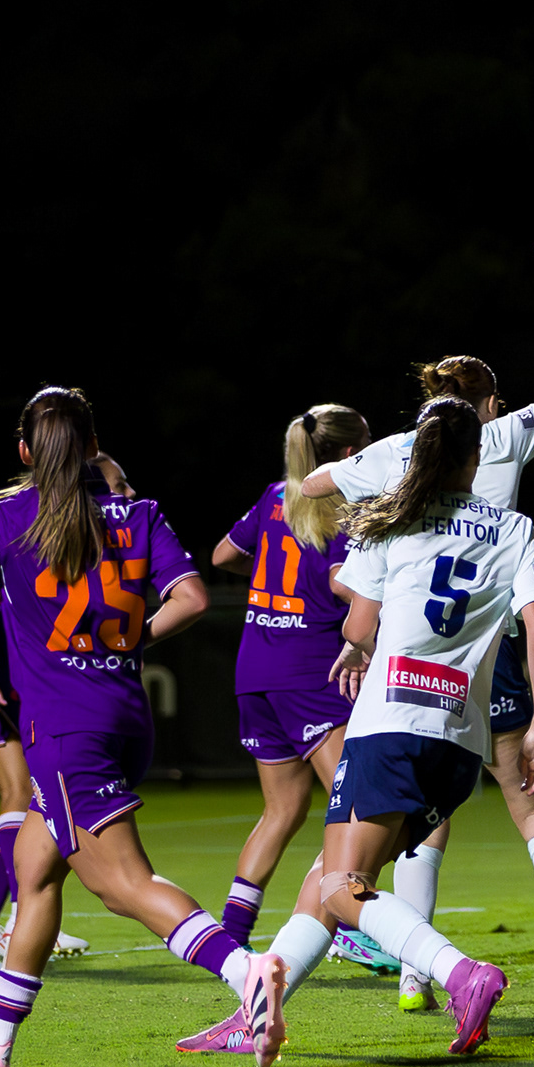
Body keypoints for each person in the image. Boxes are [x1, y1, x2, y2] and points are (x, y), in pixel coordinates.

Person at [0, 386, 286, 1067]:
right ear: (93, 447)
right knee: (35, 870)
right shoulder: (139, 513)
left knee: (122, 885)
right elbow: (193, 598)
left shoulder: (7, 519)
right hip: (122, 716)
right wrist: (130, 640)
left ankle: (245, 972)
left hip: (64, 732)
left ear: (25, 451)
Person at [299, 235, 534, 1008]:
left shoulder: (391, 453)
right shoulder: (503, 440)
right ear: (487, 408)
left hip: (406, 658)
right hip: (487, 649)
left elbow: (312, 485)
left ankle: (415, 972)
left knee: (404, 830)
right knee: (529, 803)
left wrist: (346, 481)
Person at [203, 397, 534, 1056]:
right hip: (459, 740)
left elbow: (358, 623)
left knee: (342, 888)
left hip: (389, 725)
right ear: (476, 458)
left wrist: (357, 644)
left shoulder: (391, 520)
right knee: (331, 874)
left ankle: (462, 974)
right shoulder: (513, 528)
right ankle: (254, 1010)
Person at [208, 404, 371, 950]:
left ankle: (231, 937)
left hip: (255, 668)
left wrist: (273, 581)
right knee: (357, 806)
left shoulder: (275, 496)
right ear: (349, 453)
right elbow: (343, 583)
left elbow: (223, 555)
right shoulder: (344, 505)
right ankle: (347, 922)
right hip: (309, 675)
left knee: (283, 810)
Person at [0, 601, 90, 961]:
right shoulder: (39, 561)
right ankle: (22, 920)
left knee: (35, 795)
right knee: (19, 790)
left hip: (20, 670)